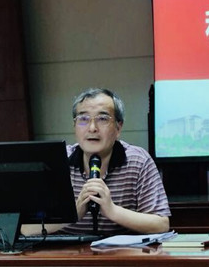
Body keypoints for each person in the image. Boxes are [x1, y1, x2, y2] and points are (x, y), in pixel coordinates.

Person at [22, 88, 171, 236]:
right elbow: (26, 229)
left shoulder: (138, 161)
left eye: (102, 119)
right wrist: (73, 214)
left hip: (121, 251)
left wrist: (112, 210)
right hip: (66, 251)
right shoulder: (55, 162)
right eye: (83, 119)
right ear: (74, 126)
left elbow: (161, 224)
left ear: (118, 127)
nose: (92, 128)